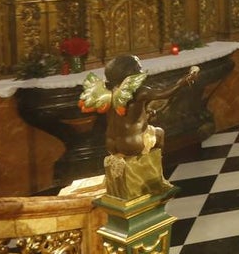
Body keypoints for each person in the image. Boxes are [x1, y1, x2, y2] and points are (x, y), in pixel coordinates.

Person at [79, 55, 200, 198]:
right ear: (132, 73)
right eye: (139, 67)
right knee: (159, 133)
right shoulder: (139, 91)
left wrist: (146, 115)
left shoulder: (107, 93)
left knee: (149, 131)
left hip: (111, 144)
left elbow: (126, 118)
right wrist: (183, 82)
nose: (141, 70)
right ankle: (156, 180)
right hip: (132, 144)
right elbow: (164, 93)